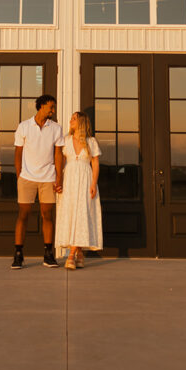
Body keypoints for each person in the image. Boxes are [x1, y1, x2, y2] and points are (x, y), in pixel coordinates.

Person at [12, 94, 65, 269]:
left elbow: (58, 154)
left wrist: (59, 177)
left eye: (53, 107)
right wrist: (20, 174)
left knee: (47, 216)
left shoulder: (56, 128)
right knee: (23, 215)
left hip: (48, 178)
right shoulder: (24, 126)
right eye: (51, 107)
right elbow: (18, 152)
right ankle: (18, 255)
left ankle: (48, 255)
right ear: (41, 106)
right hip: (27, 178)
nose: (53, 110)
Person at [55, 111, 103, 269]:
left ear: (81, 122)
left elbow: (95, 163)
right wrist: (59, 181)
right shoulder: (66, 140)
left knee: (82, 214)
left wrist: (94, 184)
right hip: (69, 181)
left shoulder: (91, 141)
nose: (71, 120)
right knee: (71, 213)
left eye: (74, 118)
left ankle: (71, 256)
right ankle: (80, 254)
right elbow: (60, 163)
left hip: (85, 180)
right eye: (71, 118)